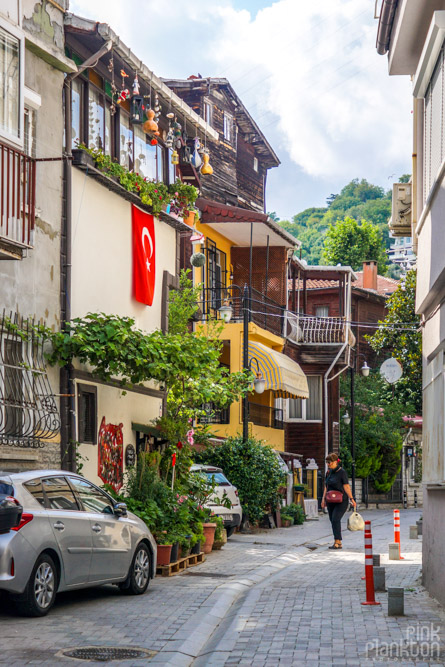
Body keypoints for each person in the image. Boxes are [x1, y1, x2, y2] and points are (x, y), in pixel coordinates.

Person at [321, 452, 356, 550]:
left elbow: (346, 486)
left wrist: (351, 499)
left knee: (336, 519)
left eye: (330, 462)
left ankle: (337, 541)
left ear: (336, 462)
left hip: (341, 500)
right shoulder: (328, 472)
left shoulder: (342, 472)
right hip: (330, 500)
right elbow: (326, 487)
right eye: (327, 462)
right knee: (332, 520)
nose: (328, 464)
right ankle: (338, 542)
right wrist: (323, 499)